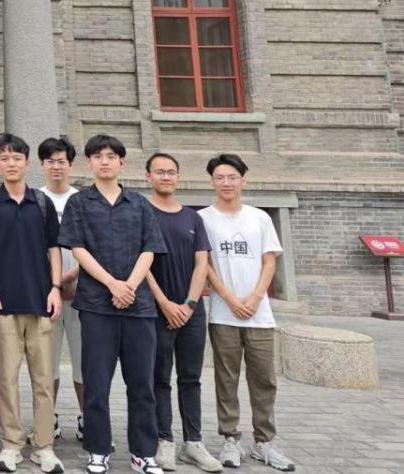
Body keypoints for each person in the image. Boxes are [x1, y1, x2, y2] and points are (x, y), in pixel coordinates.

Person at [57, 135, 166, 474]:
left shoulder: (140, 204)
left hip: (138, 307)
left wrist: (129, 286)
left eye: (110, 156)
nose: (104, 161)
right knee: (96, 383)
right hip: (96, 306)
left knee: (142, 384)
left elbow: (150, 248)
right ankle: (98, 450)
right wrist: (112, 284)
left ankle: (143, 452)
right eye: (97, 156)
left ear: (122, 162)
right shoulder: (79, 203)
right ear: (89, 162)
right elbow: (78, 249)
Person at [200, 154, 295, 473]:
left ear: (244, 181)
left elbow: (270, 261)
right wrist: (228, 297)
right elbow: (205, 264)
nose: (226, 182)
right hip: (222, 313)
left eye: (232, 177)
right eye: (220, 177)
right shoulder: (203, 219)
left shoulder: (259, 218)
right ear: (212, 182)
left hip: (259, 314)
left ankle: (264, 442)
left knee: (264, 378)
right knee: (226, 378)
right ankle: (230, 438)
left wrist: (255, 297)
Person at [0, 134, 64, 474]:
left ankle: (44, 446)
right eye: (5, 158)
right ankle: (11, 444)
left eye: (17, 158)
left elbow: (54, 248)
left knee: (43, 380)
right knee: (6, 379)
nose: (11, 163)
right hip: (2, 304)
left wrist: (56, 287)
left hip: (41, 302)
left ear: (27, 163)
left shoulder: (42, 203)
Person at [144, 153, 222, 473]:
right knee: (159, 377)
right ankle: (164, 440)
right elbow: (141, 262)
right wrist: (164, 303)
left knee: (191, 378)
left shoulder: (193, 218)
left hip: (192, 312)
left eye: (171, 172)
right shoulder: (142, 213)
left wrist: (190, 304)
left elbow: (202, 263)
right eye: (160, 172)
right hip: (156, 310)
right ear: (148, 176)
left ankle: (194, 443)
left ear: (178, 177)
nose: (166, 177)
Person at [38, 137, 84, 442]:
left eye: (62, 161)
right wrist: (54, 283)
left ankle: (88, 418)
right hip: (46, 295)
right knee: (47, 363)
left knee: (84, 362)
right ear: (42, 165)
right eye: (51, 161)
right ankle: (47, 419)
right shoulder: (35, 199)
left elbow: (93, 247)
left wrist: (70, 277)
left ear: (70, 164)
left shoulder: (83, 201)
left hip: (82, 294)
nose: (57, 166)